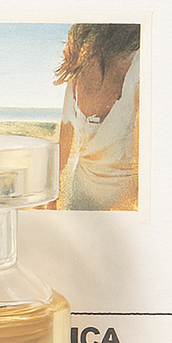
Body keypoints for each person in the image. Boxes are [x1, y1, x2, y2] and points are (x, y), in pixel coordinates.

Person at [52, 23, 139, 211]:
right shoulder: (78, 69)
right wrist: (51, 200)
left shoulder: (140, 66)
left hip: (127, 204)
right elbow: (64, 147)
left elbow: (147, 169)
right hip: (79, 197)